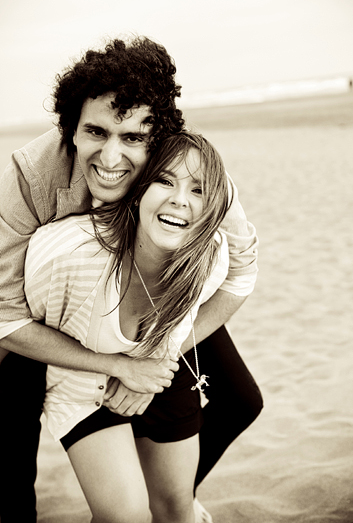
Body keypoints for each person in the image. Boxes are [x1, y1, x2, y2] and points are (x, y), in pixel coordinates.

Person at [0, 36, 261, 522]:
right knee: (8, 443)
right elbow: (5, 313)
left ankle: (171, 498)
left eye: (133, 138)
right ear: (71, 131)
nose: (111, 156)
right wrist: (115, 365)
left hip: (156, 303)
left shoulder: (187, 174)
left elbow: (242, 270)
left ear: (158, 137)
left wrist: (156, 360)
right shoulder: (30, 177)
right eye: (95, 133)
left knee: (241, 400)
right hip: (46, 320)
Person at [24, 131, 249, 522]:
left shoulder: (209, 258)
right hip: (81, 385)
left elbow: (242, 280)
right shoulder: (67, 256)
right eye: (165, 180)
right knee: (126, 516)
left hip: (159, 369)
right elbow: (11, 322)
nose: (180, 199)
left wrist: (153, 366)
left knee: (176, 510)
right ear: (140, 190)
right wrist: (122, 369)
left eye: (198, 190)